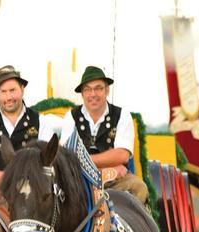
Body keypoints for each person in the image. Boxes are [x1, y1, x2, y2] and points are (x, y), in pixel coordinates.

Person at [60, 65, 148, 203]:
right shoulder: (71, 117)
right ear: (82, 94)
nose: (93, 94)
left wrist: (84, 160)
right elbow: (68, 156)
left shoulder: (122, 115)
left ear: (107, 90)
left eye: (98, 88)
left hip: (116, 179)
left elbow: (122, 155)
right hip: (79, 179)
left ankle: (128, 224)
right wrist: (106, 167)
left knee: (139, 188)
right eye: (87, 89)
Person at [0, 65, 56, 184]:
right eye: (3, 92)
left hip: (34, 194)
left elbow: (51, 159)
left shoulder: (40, 121)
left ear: (22, 89)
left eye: (12, 90)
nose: (8, 97)